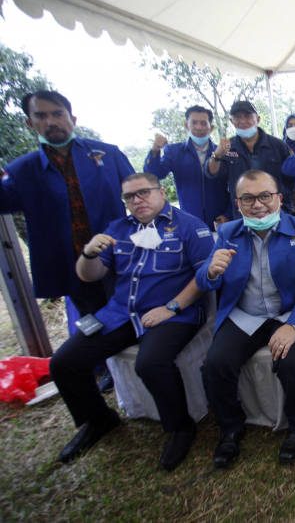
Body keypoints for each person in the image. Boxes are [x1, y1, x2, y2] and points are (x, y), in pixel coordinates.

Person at [49, 173, 214, 470]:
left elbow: (204, 278)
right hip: (121, 312)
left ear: (161, 192)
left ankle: (180, 427)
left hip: (173, 312)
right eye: (129, 196)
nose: (137, 200)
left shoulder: (189, 226)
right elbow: (90, 275)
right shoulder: (117, 230)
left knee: (150, 363)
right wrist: (88, 253)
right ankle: (98, 419)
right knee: (64, 362)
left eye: (144, 192)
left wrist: (172, 307)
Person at [197, 170, 295, 468]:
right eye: (248, 198)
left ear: (279, 198)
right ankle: (230, 428)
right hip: (247, 314)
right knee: (215, 366)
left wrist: (293, 325)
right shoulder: (228, 232)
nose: (258, 205)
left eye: (265, 196)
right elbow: (206, 281)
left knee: (293, 363)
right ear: (237, 202)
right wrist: (211, 271)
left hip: (289, 312)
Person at [0, 91, 134, 316]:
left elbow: (139, 193)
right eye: (41, 116)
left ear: (72, 119)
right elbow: (6, 204)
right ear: (30, 123)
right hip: (69, 263)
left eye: (58, 114)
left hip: (117, 255)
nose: (51, 122)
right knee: (94, 325)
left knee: (131, 315)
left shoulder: (106, 153)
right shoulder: (22, 170)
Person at [205, 100, 295, 219]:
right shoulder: (227, 148)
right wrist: (217, 155)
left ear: (257, 119)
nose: (243, 121)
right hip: (243, 214)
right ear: (232, 121)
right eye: (237, 117)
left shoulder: (278, 146)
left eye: (248, 116)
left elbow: (292, 179)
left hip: (276, 212)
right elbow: (212, 174)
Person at [144, 105, 230, 228]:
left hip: (220, 220)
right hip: (189, 220)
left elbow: (234, 186)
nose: (198, 127)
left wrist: (229, 214)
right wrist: (154, 151)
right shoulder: (174, 151)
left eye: (203, 123)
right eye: (194, 122)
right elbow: (154, 176)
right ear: (186, 125)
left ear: (211, 128)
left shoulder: (222, 152)